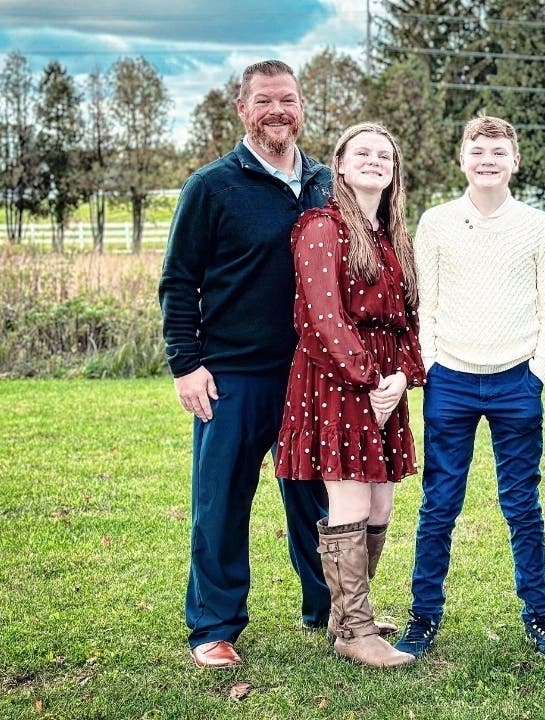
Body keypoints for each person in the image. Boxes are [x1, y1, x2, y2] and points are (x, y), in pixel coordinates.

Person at [159, 60, 333, 669]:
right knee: (221, 500)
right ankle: (214, 626)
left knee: (316, 498)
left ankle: (330, 607)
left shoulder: (323, 183)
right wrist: (186, 364)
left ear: (302, 105)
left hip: (309, 373)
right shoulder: (210, 186)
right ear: (242, 108)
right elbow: (179, 281)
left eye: (287, 99)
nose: (277, 110)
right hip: (232, 374)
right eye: (264, 101)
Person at [394, 115, 545, 658]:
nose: (488, 159)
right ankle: (423, 617)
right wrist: (432, 363)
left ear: (515, 161)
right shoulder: (438, 222)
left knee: (522, 504)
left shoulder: (537, 225)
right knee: (439, 503)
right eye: (478, 150)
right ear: (462, 158)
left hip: (517, 377)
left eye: (498, 151)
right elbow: (426, 302)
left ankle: (539, 615)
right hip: (452, 378)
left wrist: (538, 370)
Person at [274, 122, 425, 669]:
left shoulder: (392, 237)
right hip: (337, 377)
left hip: (386, 380)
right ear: (339, 164)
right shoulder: (322, 225)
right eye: (362, 153)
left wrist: (401, 377)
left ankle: (347, 613)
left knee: (381, 502)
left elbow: (410, 321)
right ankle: (355, 632)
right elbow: (322, 316)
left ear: (394, 170)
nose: (374, 161)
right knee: (352, 500)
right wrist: (367, 380)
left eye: (384, 154)